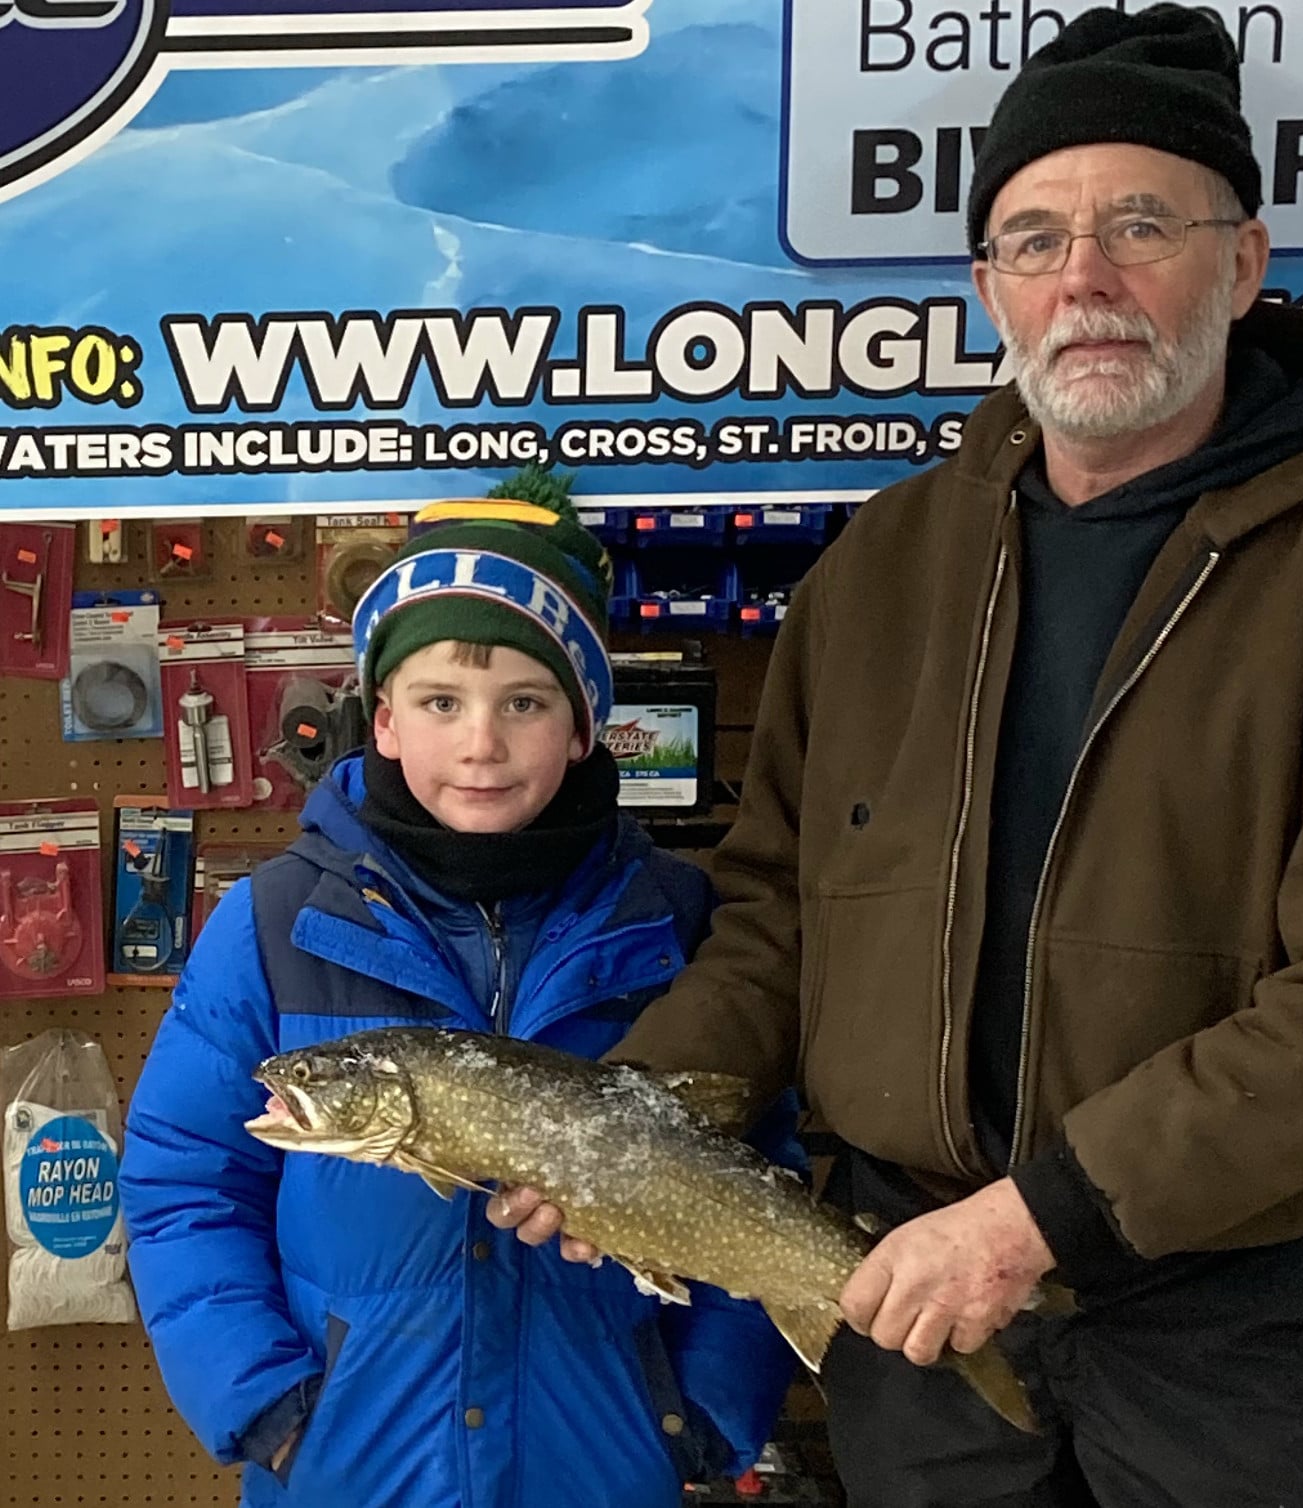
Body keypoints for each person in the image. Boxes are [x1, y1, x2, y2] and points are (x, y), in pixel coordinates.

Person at [491, 6, 1303, 1505]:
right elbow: (779, 914)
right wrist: (619, 1128)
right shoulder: (888, 564)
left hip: (1232, 1324)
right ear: (987, 288)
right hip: (910, 1284)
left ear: (1239, 264)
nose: (1083, 279)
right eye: (1034, 239)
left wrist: (1036, 1217)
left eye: (1138, 225)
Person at [120, 495, 803, 1508]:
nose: (481, 741)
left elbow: (760, 1181)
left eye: (525, 701)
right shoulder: (270, 923)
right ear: (384, 718)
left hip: (607, 1459)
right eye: (440, 702)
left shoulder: (677, 921)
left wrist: (697, 1408)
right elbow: (184, 1183)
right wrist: (270, 1408)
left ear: (582, 725)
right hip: (351, 1463)